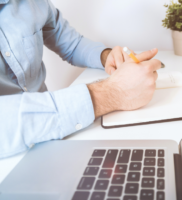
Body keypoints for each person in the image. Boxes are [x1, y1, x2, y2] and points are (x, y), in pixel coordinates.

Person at [0, 0, 161, 158]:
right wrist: (113, 92)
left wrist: (106, 56)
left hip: (53, 138)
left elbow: (72, 44)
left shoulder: (35, 3)